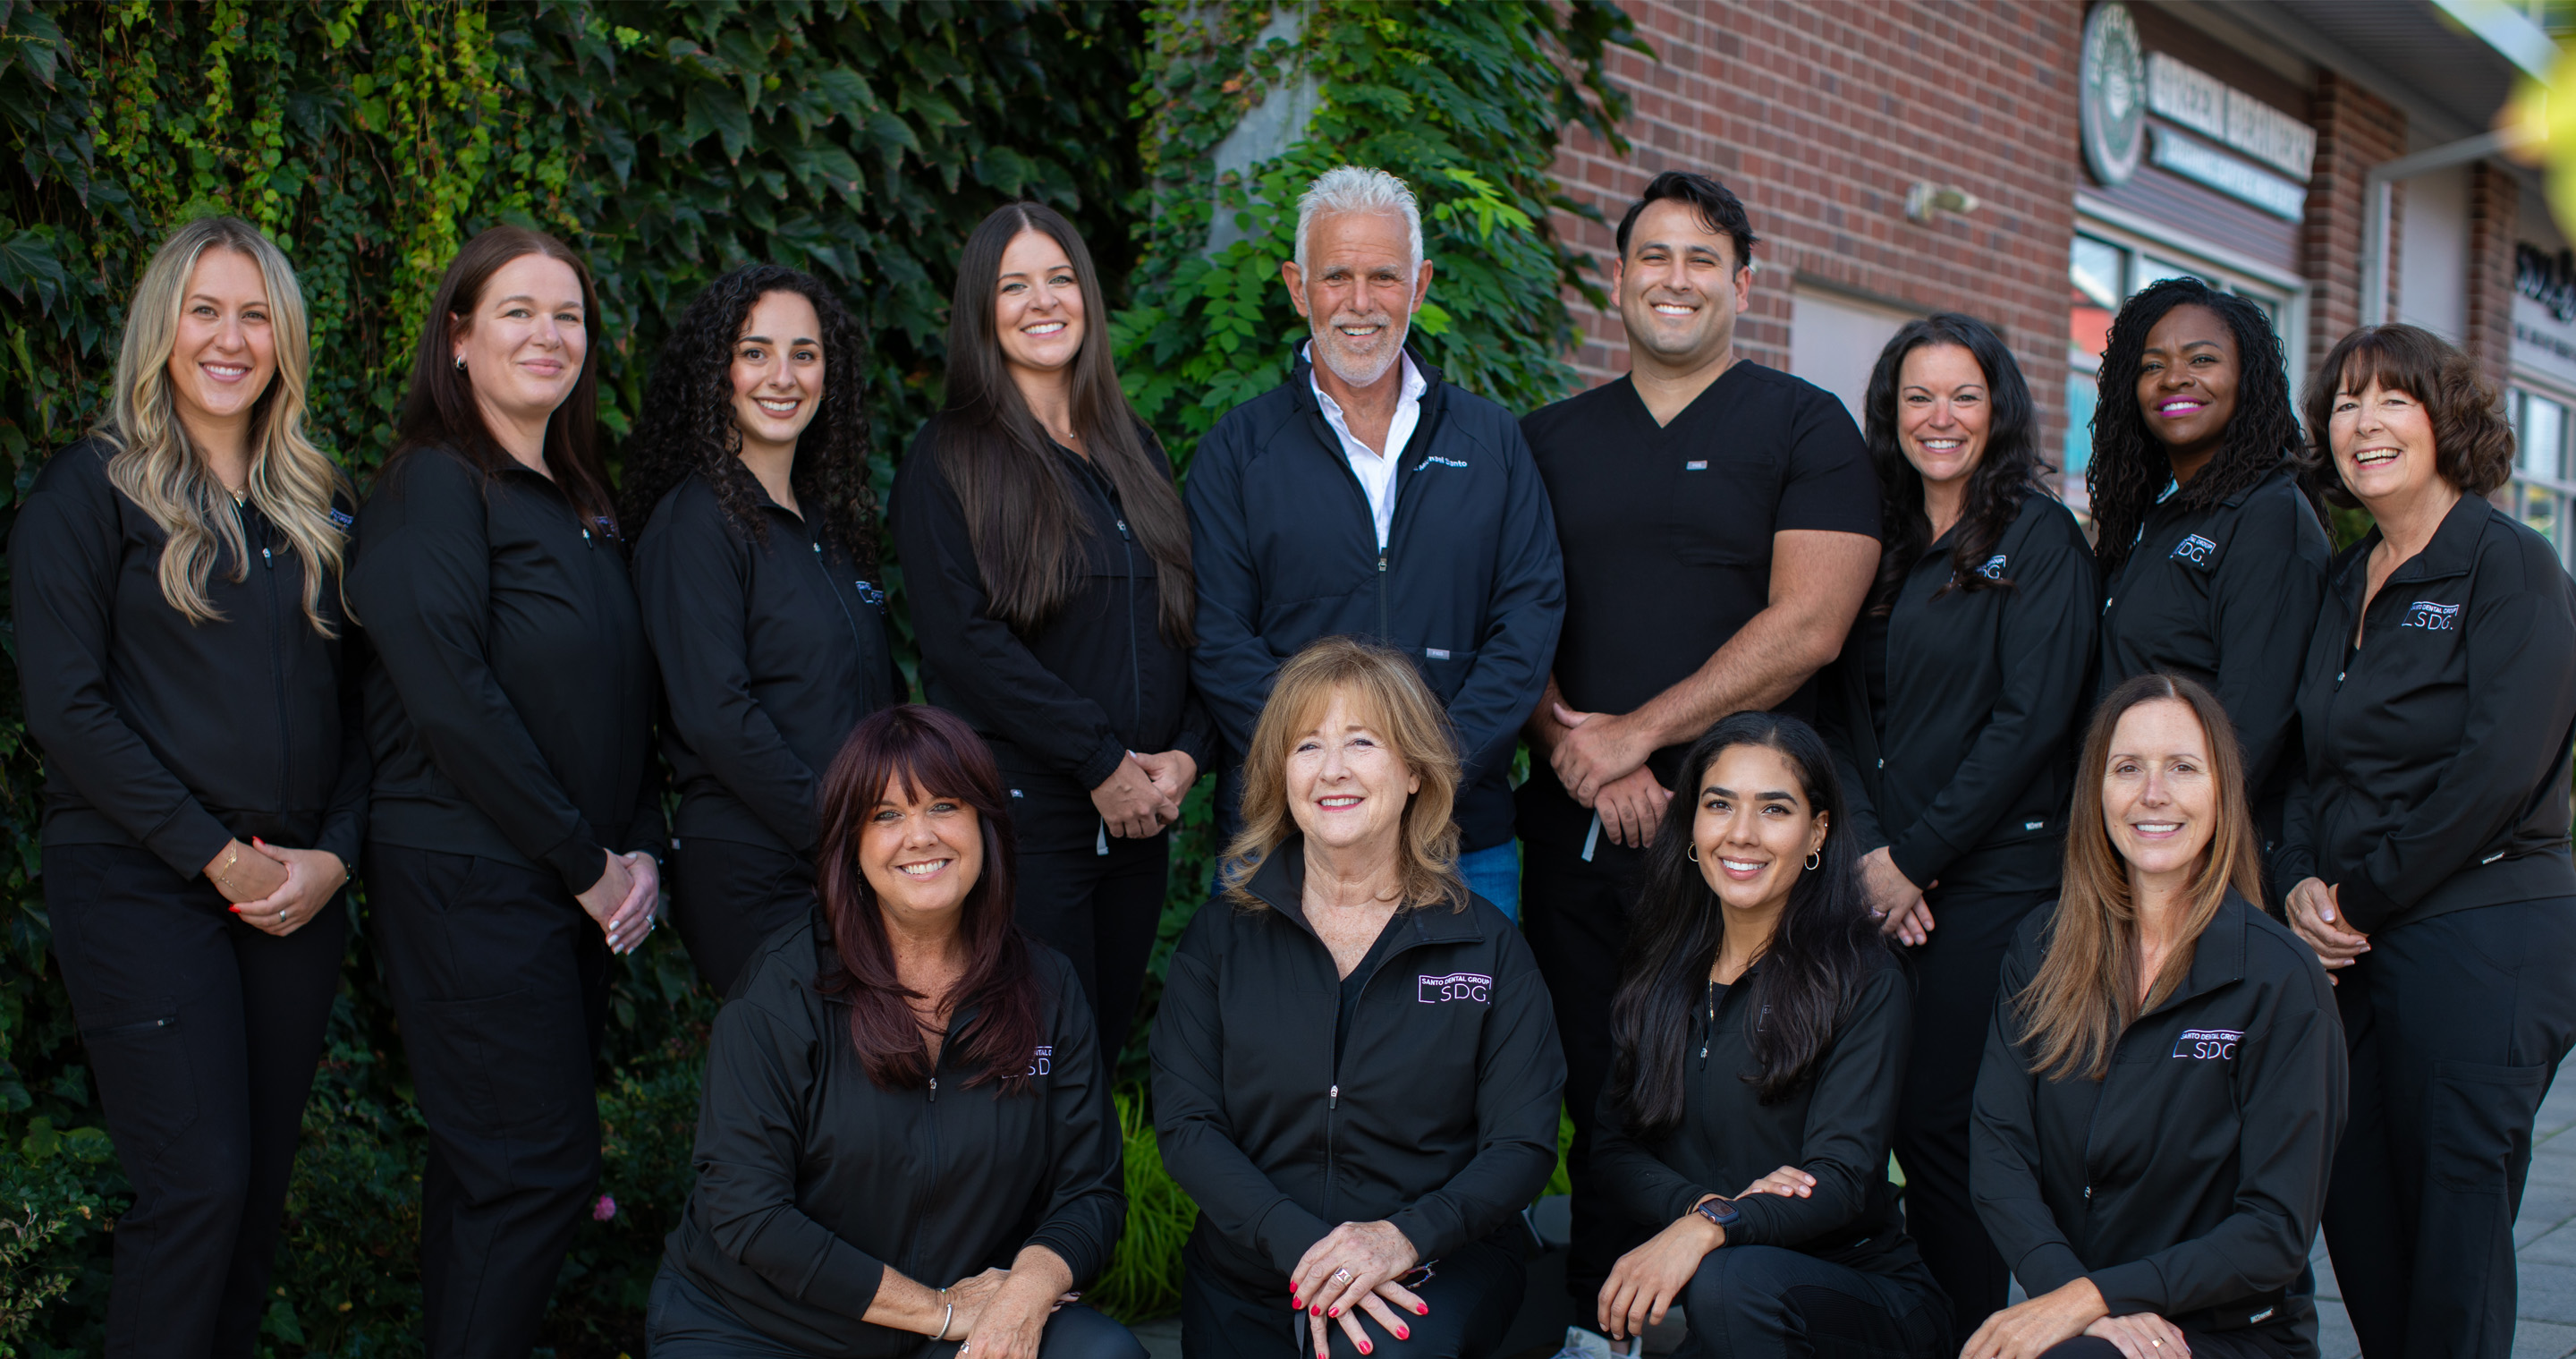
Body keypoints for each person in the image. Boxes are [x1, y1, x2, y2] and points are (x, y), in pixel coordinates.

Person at [1516, 169, 1879, 1317]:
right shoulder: (1548, 438)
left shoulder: (1804, 425)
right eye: (1655, 258)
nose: (1676, 280)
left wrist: (1640, 740)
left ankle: (1741, 1311)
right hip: (1581, 834)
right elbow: (1507, 615)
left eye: (1703, 260)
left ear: (1743, 284)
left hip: (1744, 845)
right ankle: (1594, 1320)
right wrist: (1583, 750)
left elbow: (1809, 624)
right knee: (1596, 1085)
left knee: (1741, 1090)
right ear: (1617, 279)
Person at [12, 217, 363, 1358]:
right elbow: (67, 708)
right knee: (197, 1188)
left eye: (255, 313)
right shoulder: (91, 490)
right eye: (204, 310)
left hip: (296, 895)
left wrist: (337, 855)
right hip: (139, 881)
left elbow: (379, 710)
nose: (230, 337)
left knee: (254, 1206)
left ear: (285, 339)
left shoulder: (318, 503)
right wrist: (215, 854)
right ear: (162, 329)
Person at [347, 225, 663, 1357]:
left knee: (498, 1176)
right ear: (459, 338)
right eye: (517, 311)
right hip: (471, 880)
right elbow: (451, 702)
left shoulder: (576, 497)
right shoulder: (434, 484)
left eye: (568, 314)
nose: (548, 333)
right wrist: (589, 864)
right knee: (534, 1174)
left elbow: (625, 693)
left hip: (560, 884)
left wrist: (638, 848)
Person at [650, 704, 1141, 1359]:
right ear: (850, 847)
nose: (919, 835)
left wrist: (1025, 1292)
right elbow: (747, 1211)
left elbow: (1091, 1191)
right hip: (760, 1329)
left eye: (944, 805)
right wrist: (935, 1310)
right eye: (886, 815)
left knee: (1102, 1355)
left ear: (986, 825)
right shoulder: (783, 988)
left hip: (955, 1326)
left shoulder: (1046, 986)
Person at [2277, 325, 2576, 1359]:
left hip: (2483, 935)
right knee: (2359, 1219)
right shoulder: (2345, 578)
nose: (2363, 422)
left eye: (2392, 399)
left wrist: (2356, 898)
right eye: (2346, 403)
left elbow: (2497, 773)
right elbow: (2312, 762)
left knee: (2454, 1244)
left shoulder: (2512, 567)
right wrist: (2300, 884)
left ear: (2446, 418)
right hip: (2353, 942)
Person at [1153, 638, 1564, 1359]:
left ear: (1413, 771)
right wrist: (1309, 1246)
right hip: (1249, 1277)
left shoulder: (1486, 946)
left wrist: (1399, 1237)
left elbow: (1522, 1144)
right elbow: (1188, 1125)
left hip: (1431, 1268)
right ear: (1282, 774)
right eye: (1307, 745)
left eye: (1362, 742)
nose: (1332, 769)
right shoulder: (1219, 938)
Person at [1185, 166, 1563, 922]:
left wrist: (1427, 770)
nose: (1361, 302)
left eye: (1384, 276)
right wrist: (1335, 780)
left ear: (1419, 286)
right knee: (1281, 1042)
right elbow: (1215, 636)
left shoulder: (1491, 441)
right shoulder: (1237, 450)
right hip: (1284, 835)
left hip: (1461, 837)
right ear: (1299, 288)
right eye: (1338, 276)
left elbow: (1527, 621)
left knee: (1460, 1042)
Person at [1817, 313, 2097, 1338]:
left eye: (1964, 396)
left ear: (2000, 410)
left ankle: (1976, 1328)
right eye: (1919, 397)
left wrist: (1918, 863)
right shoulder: (1875, 536)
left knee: (1948, 1123)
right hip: (1878, 875)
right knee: (1880, 1114)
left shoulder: (2037, 536)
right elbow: (1836, 711)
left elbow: (2034, 720)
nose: (1941, 418)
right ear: (1891, 413)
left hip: (1991, 880)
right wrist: (1870, 853)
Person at [893, 201, 1209, 1050]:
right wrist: (1097, 757)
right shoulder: (948, 456)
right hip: (1029, 821)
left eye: (1061, 279)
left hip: (1143, 816)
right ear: (982, 310)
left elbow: (1183, 614)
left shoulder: (1134, 447)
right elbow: (963, 644)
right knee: (1027, 1062)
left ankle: (1087, 1195)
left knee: (1095, 1055)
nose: (1044, 302)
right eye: (1015, 285)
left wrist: (1186, 755)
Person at [1966, 674, 2346, 1359]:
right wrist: (2076, 1298)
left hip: (2233, 1336)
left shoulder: (2281, 979)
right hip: (2091, 1321)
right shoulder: (2040, 948)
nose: (2153, 794)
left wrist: (2091, 1298)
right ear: (2097, 792)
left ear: (2222, 792)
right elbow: (1999, 1154)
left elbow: (2275, 1230)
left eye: (2182, 767)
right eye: (2128, 768)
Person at [1589, 712, 1951, 1359]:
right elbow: (1614, 1150)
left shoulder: (1864, 978)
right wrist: (1704, 1209)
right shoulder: (1661, 969)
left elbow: (1838, 1179)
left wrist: (1712, 1229)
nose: (1742, 834)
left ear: (1817, 832)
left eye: (1774, 810)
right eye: (1719, 804)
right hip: (1730, 1307)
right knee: (1726, 1282)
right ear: (1694, 827)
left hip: (1857, 1298)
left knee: (1731, 1280)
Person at [628, 262, 902, 995]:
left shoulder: (828, 528)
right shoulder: (694, 524)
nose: (782, 376)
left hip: (851, 863)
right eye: (754, 352)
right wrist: (841, 835)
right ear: (717, 368)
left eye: (804, 354)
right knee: (800, 1095)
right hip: (760, 869)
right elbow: (718, 716)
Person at [2087, 277, 2329, 879]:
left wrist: (2162, 842)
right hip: (2129, 838)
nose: (2174, 378)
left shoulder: (2270, 516)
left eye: (2202, 359)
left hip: (2196, 859)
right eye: (2152, 365)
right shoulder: (2154, 513)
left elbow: (2251, 722)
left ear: (2247, 379)